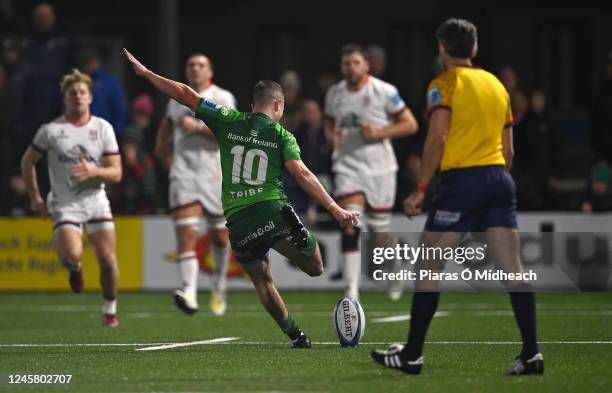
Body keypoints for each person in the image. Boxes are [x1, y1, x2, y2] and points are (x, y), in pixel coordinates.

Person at [124, 48, 358, 347]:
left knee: (262, 281)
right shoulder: (281, 135)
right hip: (272, 209)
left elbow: (185, 94)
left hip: (238, 221)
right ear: (278, 104)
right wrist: (334, 207)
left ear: (252, 105)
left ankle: (296, 335)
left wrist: (146, 74)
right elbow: (302, 174)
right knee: (316, 268)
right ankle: (301, 235)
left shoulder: (229, 119)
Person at [370, 18, 543, 375]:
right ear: (474, 48)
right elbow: (508, 149)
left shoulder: (444, 84)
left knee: (428, 265)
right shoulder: (497, 85)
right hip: (499, 178)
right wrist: (495, 182)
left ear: (441, 48)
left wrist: (421, 188)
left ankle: (412, 355)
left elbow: (437, 139)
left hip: (463, 180)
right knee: (514, 271)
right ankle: (531, 355)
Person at [20, 69, 122, 327]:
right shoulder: (52, 130)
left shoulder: (102, 128)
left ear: (90, 98)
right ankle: (75, 271)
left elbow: (116, 173)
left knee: (108, 261)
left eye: (82, 92)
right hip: (65, 203)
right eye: (72, 92)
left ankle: (110, 308)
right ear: (64, 98)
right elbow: (28, 161)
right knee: (71, 257)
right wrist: (35, 197)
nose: (77, 96)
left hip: (96, 200)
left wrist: (94, 171)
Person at [324, 44, 418, 299]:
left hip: (380, 169)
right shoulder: (334, 93)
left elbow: (410, 124)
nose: (350, 67)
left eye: (355, 62)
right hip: (347, 166)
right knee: (350, 223)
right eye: (346, 63)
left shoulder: (384, 91)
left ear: (366, 65)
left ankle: (395, 267)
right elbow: (330, 121)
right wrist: (331, 136)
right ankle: (351, 292)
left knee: (379, 234)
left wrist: (379, 132)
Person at [154, 53, 236, 316]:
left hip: (213, 175)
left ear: (210, 71)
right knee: (186, 235)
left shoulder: (222, 98)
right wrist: (161, 146)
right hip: (183, 174)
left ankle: (219, 286)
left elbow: (231, 135)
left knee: (220, 238)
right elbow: (168, 124)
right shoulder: (177, 97)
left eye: (201, 65)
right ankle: (188, 292)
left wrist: (198, 127)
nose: (195, 69)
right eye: (190, 65)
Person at [78, 47, 129, 135]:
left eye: (89, 62)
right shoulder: (80, 82)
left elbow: (120, 111)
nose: (87, 66)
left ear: (97, 61)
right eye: (85, 63)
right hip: (82, 132)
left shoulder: (110, 83)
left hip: (104, 133)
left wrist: (113, 133)